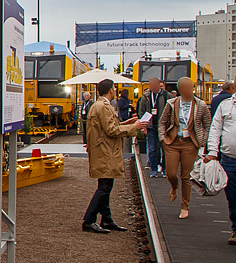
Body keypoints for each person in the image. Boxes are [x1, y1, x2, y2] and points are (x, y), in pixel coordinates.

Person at [84, 78, 148, 233]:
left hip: (103, 150)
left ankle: (106, 219)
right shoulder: (104, 107)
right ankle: (89, 220)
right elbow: (111, 130)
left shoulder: (99, 105)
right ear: (111, 90)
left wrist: (129, 123)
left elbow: (109, 127)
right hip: (105, 151)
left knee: (105, 185)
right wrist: (134, 127)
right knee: (105, 187)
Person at [159, 76, 211, 219]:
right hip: (173, 142)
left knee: (186, 176)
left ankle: (185, 206)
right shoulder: (172, 103)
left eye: (190, 87)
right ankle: (174, 187)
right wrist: (163, 138)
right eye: (185, 88)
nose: (189, 90)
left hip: (190, 143)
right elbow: (162, 122)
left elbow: (207, 124)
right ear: (180, 89)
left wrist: (202, 141)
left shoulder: (201, 105)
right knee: (171, 173)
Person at [203, 92, 236, 245]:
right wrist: (212, 152)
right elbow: (215, 129)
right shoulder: (225, 105)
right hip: (229, 159)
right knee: (232, 196)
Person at [138, 77, 168, 177]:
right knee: (152, 148)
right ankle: (154, 169)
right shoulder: (146, 97)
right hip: (151, 126)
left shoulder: (166, 96)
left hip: (163, 127)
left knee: (164, 148)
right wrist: (143, 126)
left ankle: (164, 169)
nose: (152, 87)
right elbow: (141, 112)